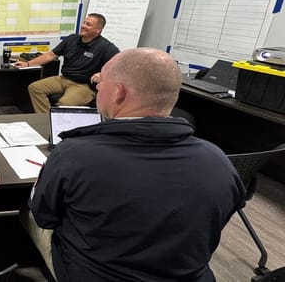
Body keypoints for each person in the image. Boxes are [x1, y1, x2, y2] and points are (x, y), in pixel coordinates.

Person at [28, 48, 246, 281]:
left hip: (92, 274)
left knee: (29, 211)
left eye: (101, 82)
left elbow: (45, 216)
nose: (97, 87)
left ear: (119, 94)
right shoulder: (218, 161)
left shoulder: (73, 154)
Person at [15, 13, 119, 114]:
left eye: (88, 24)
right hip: (63, 79)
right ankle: (46, 119)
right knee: (34, 88)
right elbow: (50, 55)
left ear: (98, 30)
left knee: (64, 103)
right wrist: (27, 64)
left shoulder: (105, 47)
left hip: (83, 85)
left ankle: (57, 122)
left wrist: (102, 74)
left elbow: (119, 65)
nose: (83, 26)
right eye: (84, 22)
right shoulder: (71, 39)